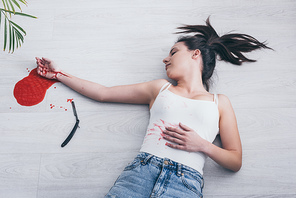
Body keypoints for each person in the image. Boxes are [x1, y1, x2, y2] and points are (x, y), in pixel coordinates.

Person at [36, 17, 271, 198]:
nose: (165, 59)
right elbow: (103, 93)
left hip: (185, 185)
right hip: (140, 174)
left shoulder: (220, 102)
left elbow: (235, 160)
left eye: (173, 52)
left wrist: (202, 145)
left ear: (195, 54)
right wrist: (57, 74)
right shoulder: (160, 89)